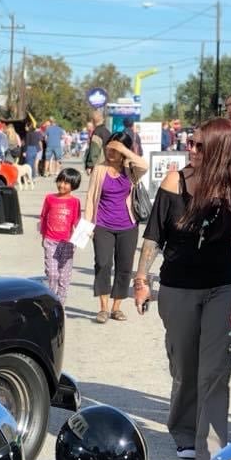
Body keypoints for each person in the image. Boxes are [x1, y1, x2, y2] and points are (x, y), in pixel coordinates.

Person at [134, 119, 231, 460]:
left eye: (199, 145)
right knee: (184, 365)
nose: (191, 149)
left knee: (214, 371)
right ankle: (183, 430)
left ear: (219, 150)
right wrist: (141, 280)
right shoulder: (175, 181)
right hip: (178, 286)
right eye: (191, 142)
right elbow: (154, 234)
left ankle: (210, 451)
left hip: (223, 287)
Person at [84, 131, 148, 323]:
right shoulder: (99, 169)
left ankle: (116, 307)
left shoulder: (131, 169)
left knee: (125, 267)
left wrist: (126, 152)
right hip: (102, 224)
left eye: (116, 148)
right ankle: (103, 308)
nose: (111, 151)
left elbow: (145, 165)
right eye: (109, 147)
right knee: (102, 263)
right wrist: (87, 226)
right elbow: (90, 198)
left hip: (128, 225)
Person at [39, 168, 82, 304]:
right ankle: (52, 302)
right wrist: (43, 237)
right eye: (60, 181)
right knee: (52, 274)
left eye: (66, 183)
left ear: (73, 185)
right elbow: (44, 217)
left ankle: (60, 304)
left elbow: (77, 221)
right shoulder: (49, 198)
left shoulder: (75, 202)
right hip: (50, 241)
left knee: (63, 277)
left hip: (67, 244)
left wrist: (83, 235)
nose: (62, 185)